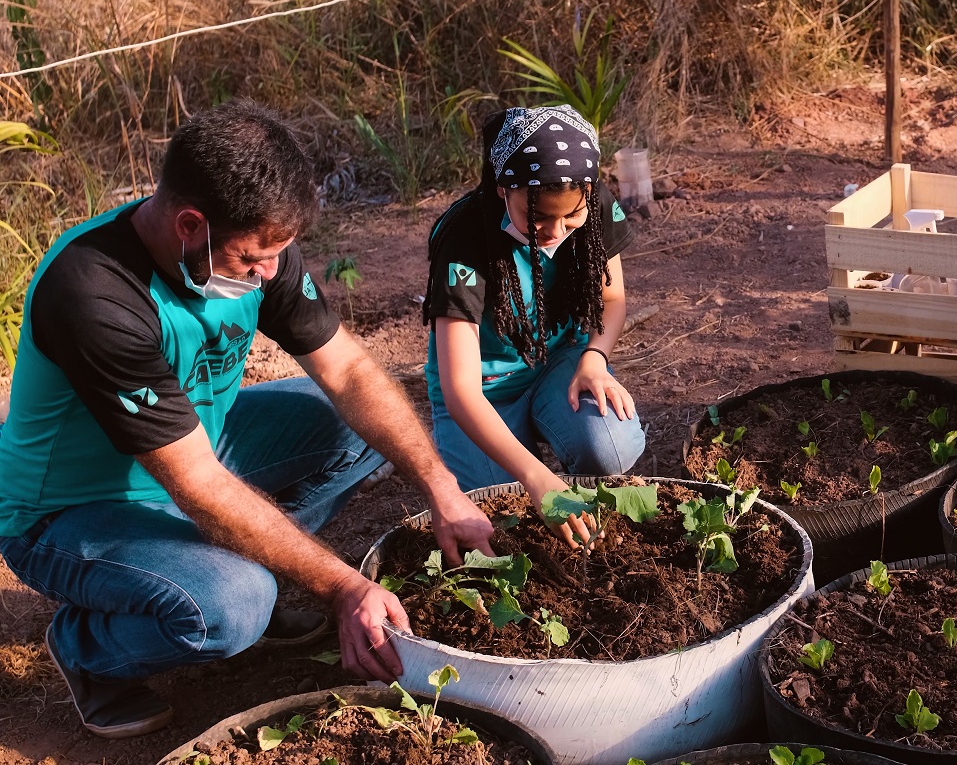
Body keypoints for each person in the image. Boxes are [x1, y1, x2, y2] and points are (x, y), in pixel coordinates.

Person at [0, 100, 496, 739]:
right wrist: (344, 588)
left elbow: (348, 373)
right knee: (232, 607)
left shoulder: (254, 248)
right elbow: (197, 485)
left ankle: (234, 566)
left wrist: (442, 488)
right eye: (251, 260)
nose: (267, 274)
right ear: (190, 224)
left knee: (357, 424)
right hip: (66, 511)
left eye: (277, 255)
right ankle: (87, 647)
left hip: (195, 454)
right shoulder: (95, 294)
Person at [423, 104, 644, 533]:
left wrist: (593, 359)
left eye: (571, 216)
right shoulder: (466, 237)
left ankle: (554, 442)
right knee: (504, 517)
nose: (557, 231)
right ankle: (523, 457)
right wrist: (536, 477)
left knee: (610, 449)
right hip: (485, 392)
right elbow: (460, 390)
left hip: (559, 365)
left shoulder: (592, 201)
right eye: (539, 217)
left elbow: (612, 297)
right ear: (506, 190)